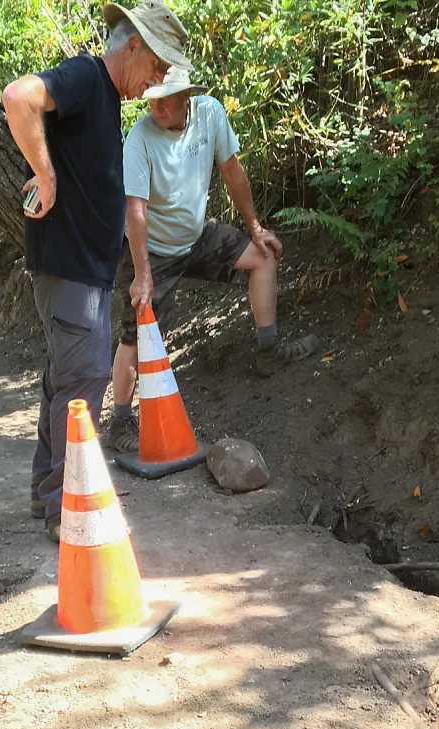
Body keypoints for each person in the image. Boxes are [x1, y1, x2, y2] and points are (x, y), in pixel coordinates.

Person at [2, 1, 190, 538]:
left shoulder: (104, 98)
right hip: (71, 268)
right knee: (83, 382)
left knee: (66, 380)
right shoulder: (87, 76)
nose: (156, 81)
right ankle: (69, 511)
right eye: (155, 66)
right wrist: (46, 174)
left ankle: (49, 497)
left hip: (76, 269)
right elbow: (19, 98)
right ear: (132, 46)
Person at [107, 66, 319, 453]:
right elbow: (133, 211)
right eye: (152, 95)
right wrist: (141, 274)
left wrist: (255, 227)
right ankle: (119, 420)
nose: (157, 104)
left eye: (167, 96)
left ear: (187, 95)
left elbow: (232, 172)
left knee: (264, 256)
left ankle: (268, 351)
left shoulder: (210, 114)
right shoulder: (138, 140)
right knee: (137, 333)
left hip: (196, 235)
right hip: (152, 250)